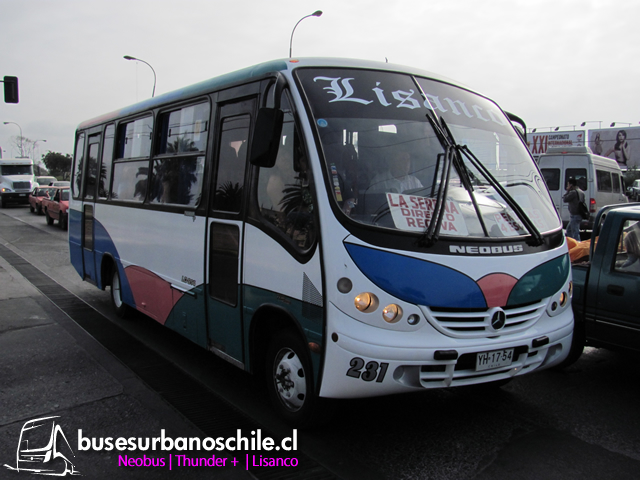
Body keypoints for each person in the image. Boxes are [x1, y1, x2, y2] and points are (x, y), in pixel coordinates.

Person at [563, 176, 584, 241]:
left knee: (575, 232)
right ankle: (571, 243)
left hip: (575, 215)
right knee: (569, 230)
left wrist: (568, 190)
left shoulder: (573, 192)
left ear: (571, 185)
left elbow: (565, 199)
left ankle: (577, 245)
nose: (567, 186)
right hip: (579, 215)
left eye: (568, 185)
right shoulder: (581, 192)